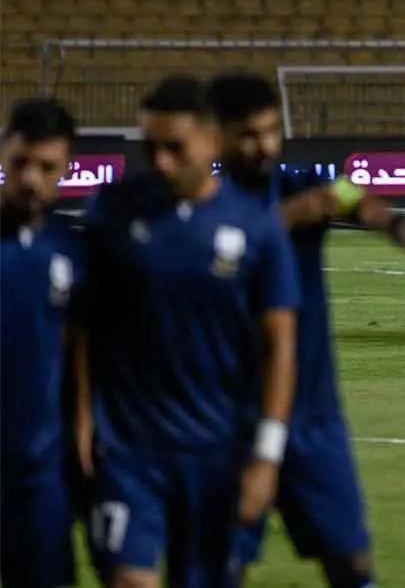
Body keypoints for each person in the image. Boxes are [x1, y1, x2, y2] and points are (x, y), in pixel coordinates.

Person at [208, 72, 405, 586]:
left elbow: (365, 205)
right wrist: (287, 218)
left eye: (270, 131)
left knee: (351, 563)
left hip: (314, 415)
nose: (263, 144)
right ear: (216, 134)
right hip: (230, 415)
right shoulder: (203, 206)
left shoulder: (306, 182)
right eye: (248, 134)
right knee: (224, 565)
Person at [78, 76, 300, 587]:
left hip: (221, 452)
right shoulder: (112, 210)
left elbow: (280, 343)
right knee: (129, 579)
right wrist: (84, 417)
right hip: (130, 451)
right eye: (150, 147)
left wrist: (267, 454)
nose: (160, 162)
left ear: (211, 140)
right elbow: (87, 324)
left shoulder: (255, 228)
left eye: (174, 148)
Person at [0, 98, 83, 588]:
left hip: (41, 470)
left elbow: (83, 351)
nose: (31, 178)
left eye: (46, 167)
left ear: (65, 169)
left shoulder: (72, 251)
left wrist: (86, 436)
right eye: (19, 163)